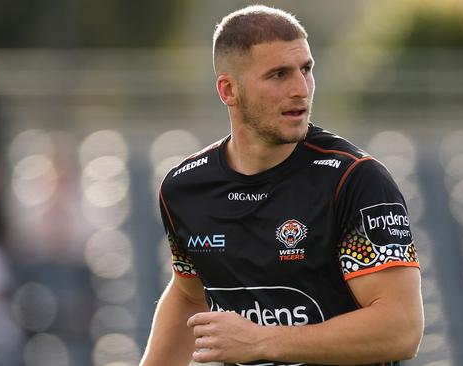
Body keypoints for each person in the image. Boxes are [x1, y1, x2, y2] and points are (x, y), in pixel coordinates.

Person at [140, 5, 423, 366]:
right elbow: (189, 295)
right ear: (229, 90)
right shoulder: (185, 188)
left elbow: (401, 329)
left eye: (306, 70)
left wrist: (264, 341)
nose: (300, 89)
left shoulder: (353, 180)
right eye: (278, 75)